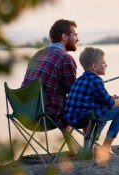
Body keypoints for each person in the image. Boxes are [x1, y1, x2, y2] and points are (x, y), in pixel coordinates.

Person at [21, 19, 79, 154]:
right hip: (45, 116)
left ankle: (74, 149)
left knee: (61, 102)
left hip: (25, 113)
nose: (77, 39)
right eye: (75, 35)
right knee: (80, 104)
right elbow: (73, 93)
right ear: (64, 36)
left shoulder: (37, 54)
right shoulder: (65, 58)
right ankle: (85, 149)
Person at [64, 47, 119, 162]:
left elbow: (94, 98)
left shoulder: (79, 79)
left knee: (102, 109)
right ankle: (105, 147)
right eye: (104, 63)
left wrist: (111, 97)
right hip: (85, 118)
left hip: (71, 119)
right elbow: (111, 105)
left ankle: (89, 147)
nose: (106, 66)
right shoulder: (96, 81)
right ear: (94, 67)